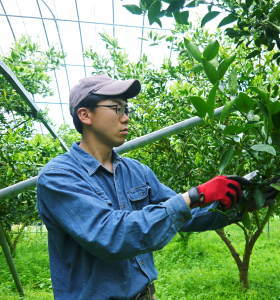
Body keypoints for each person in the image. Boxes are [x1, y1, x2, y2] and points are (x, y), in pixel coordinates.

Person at [36, 75, 247, 300]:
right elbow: (110, 236)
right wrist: (193, 195)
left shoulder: (136, 171)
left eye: (127, 109)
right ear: (85, 115)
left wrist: (242, 202)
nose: (126, 118)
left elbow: (186, 215)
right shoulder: (58, 177)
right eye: (116, 109)